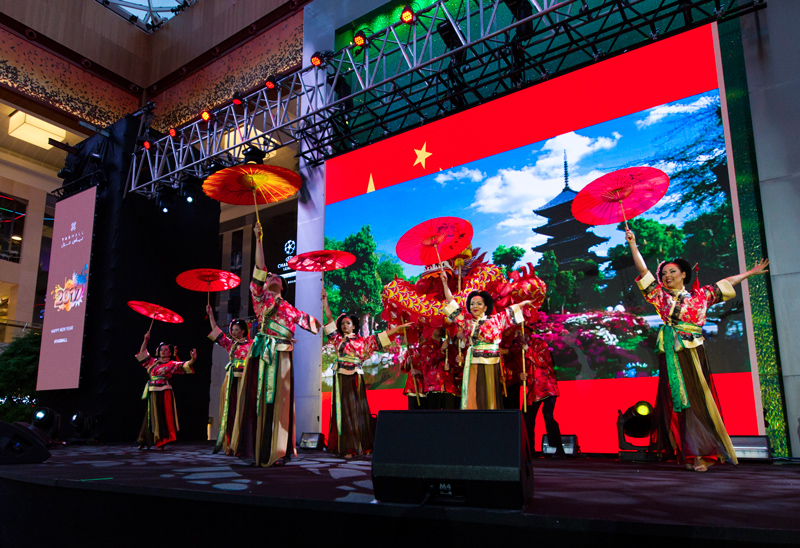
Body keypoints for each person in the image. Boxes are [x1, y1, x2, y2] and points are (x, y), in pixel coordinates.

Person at [626, 228, 769, 471]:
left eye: (672, 271)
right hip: (673, 352)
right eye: (664, 273)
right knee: (680, 402)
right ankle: (691, 453)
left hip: (692, 351)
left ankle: (703, 453)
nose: (667, 275)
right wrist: (633, 244)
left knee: (697, 399)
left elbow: (727, 283)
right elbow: (643, 270)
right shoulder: (660, 296)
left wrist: (749, 273)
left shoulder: (701, 296)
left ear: (684, 274)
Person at [231, 224, 321, 467]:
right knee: (258, 399)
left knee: (279, 401)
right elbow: (260, 267)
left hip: (282, 357)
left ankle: (277, 448)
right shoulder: (261, 299)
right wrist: (258, 239)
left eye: (276, 277)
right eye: (269, 276)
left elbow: (316, 325)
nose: (271, 276)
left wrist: (324, 302)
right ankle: (257, 447)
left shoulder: (291, 309)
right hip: (262, 354)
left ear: (283, 285)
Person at [321, 288, 411, 456]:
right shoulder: (337, 339)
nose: (344, 325)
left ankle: (360, 445)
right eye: (343, 324)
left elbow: (382, 336)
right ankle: (346, 446)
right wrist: (325, 301)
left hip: (356, 377)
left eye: (348, 323)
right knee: (344, 409)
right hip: (341, 378)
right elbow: (330, 319)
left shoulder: (364, 341)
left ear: (354, 326)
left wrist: (399, 328)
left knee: (358, 409)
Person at [439, 270, 535, 410]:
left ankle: (490, 419)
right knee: (474, 393)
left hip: (492, 361)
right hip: (473, 360)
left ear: (485, 307)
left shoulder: (497, 319)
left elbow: (511, 310)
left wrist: (524, 302)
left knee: (490, 396)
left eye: (478, 304)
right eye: (472, 304)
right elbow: (451, 303)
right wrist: (445, 283)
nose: (474, 306)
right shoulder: (467, 321)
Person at [503, 328, 565, 457]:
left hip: (546, 387)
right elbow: (516, 370)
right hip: (532, 391)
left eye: (519, 333)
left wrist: (527, 350)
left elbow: (543, 362)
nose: (517, 336)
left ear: (527, 334)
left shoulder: (540, 345)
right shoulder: (517, 352)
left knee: (548, 415)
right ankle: (530, 450)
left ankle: (558, 448)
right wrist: (520, 376)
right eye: (516, 334)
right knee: (527, 419)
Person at [136, 331, 197, 449]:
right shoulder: (153, 362)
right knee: (150, 416)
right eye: (161, 349)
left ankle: (162, 441)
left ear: (170, 353)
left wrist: (193, 359)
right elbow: (142, 353)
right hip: (152, 391)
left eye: (165, 350)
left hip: (164, 391)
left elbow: (184, 365)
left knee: (162, 416)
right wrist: (146, 340)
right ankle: (145, 440)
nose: (163, 351)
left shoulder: (171, 364)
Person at [207, 305, 252, 455]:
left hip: (245, 380)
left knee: (243, 411)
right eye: (232, 330)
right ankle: (230, 444)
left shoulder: (252, 345)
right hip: (231, 379)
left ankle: (243, 444)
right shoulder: (230, 344)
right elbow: (216, 332)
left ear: (243, 331)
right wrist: (211, 315)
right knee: (231, 411)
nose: (233, 332)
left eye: (236, 329)